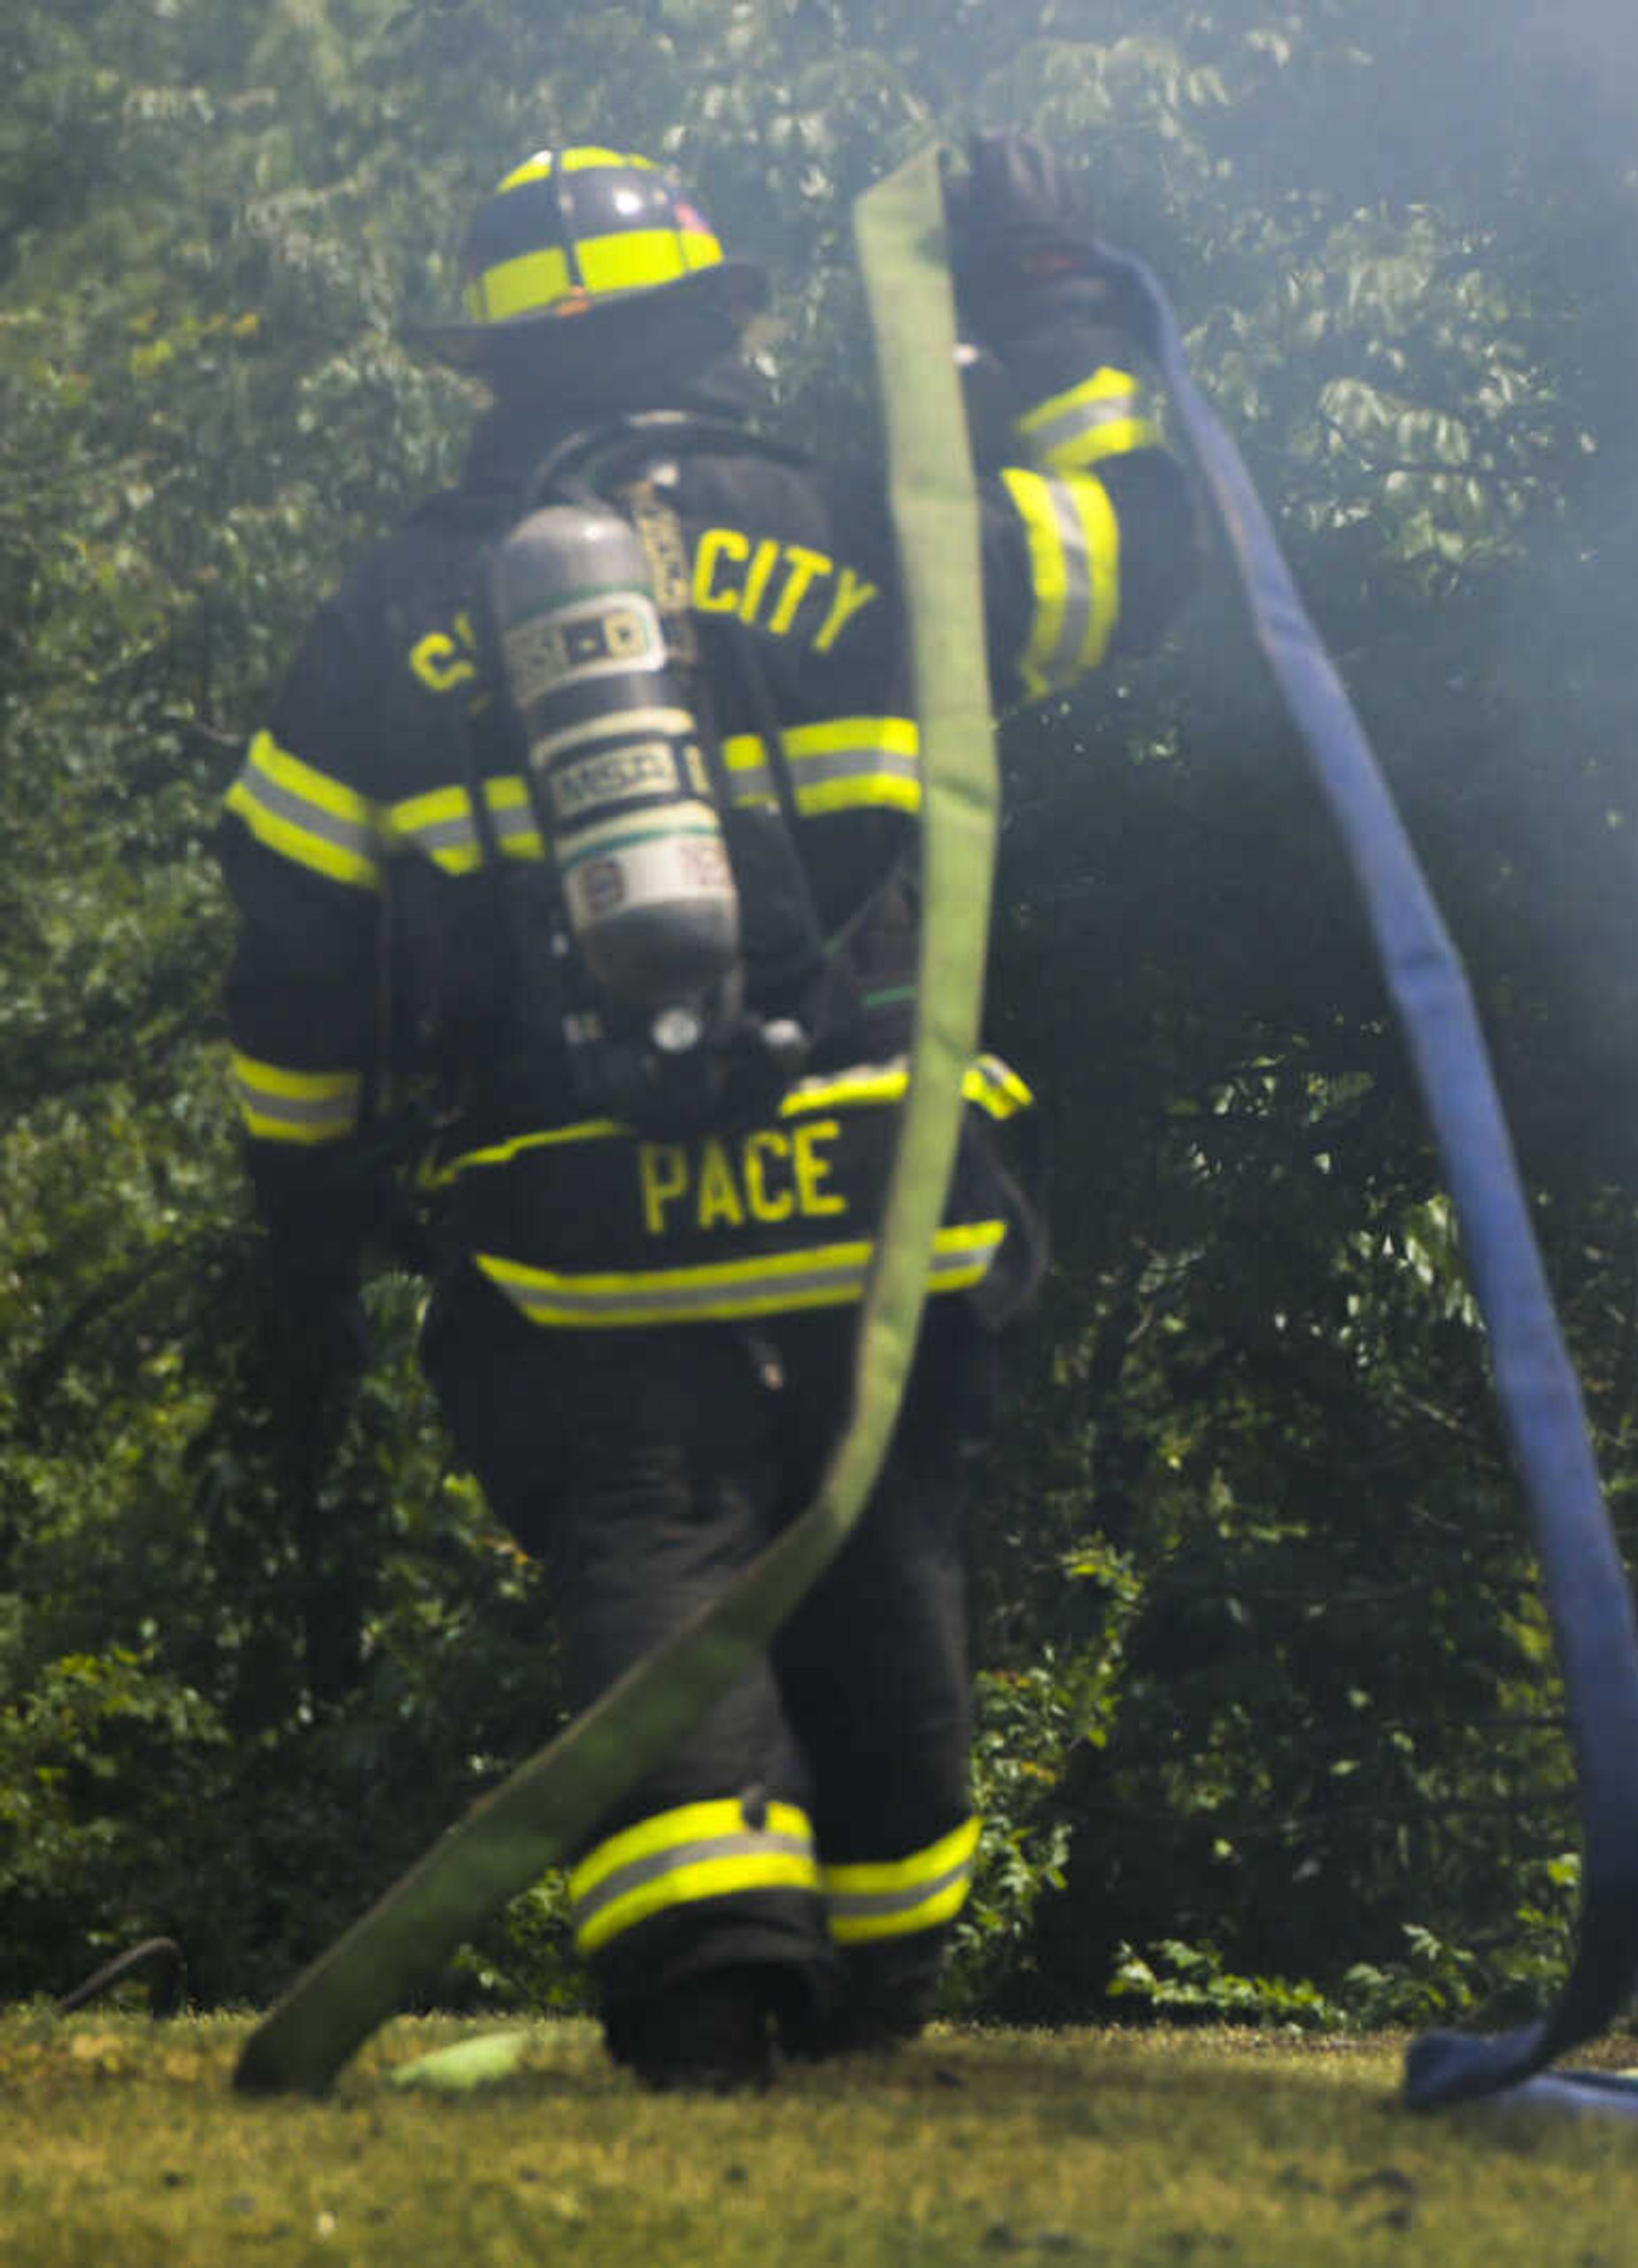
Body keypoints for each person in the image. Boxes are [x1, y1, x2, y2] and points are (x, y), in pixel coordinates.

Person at [212, 137, 1198, 2088]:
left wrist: (307, 1230)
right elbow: (1135, 558)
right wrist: (1052, 292)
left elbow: (296, 965)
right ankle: (880, 1988)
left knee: (652, 1574)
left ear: (485, 372)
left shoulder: (385, 616)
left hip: (580, 1246)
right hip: (875, 1211)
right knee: (890, 1577)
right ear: (729, 318)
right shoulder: (866, 521)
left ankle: (713, 1996)